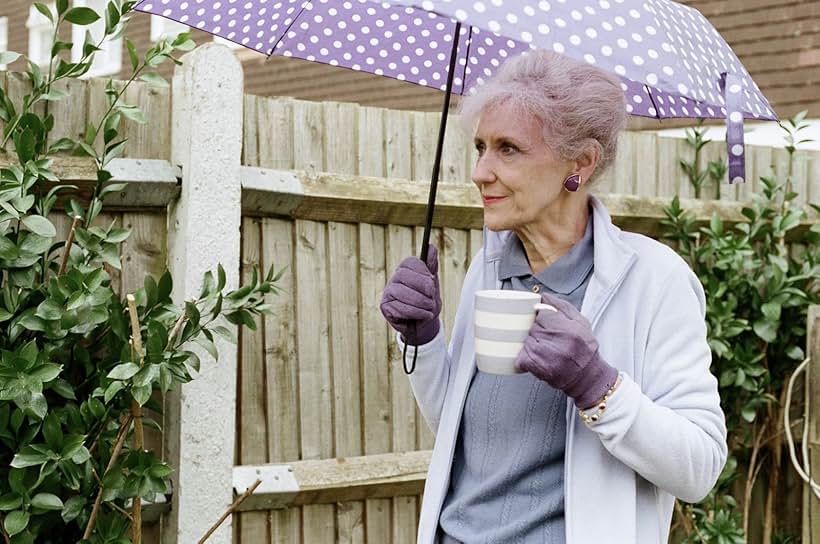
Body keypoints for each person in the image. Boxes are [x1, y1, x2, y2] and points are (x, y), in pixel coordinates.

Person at [379, 50, 727, 544]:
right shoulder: (491, 269)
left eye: (508, 148)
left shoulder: (654, 280)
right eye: (480, 146)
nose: (480, 171)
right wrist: (425, 339)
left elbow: (700, 468)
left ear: (580, 163)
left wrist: (598, 386)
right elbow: (463, 436)